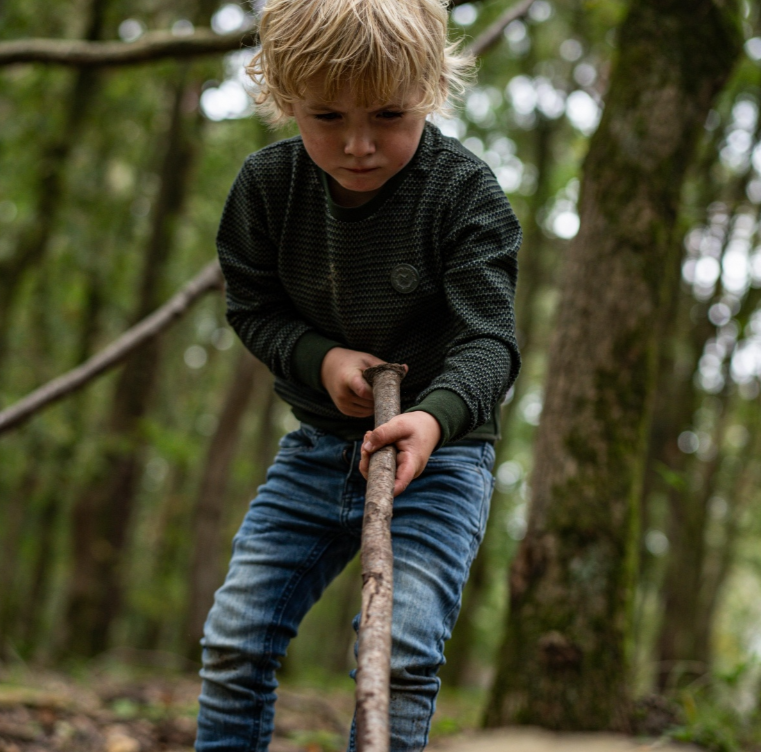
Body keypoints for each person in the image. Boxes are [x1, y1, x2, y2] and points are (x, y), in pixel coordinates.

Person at [195, 0, 521, 749]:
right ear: (283, 98)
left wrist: (433, 417)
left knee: (400, 655)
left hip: (439, 461)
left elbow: (490, 343)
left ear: (432, 87)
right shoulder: (267, 190)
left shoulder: (464, 196)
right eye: (327, 117)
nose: (359, 145)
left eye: (387, 115)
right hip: (317, 450)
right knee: (235, 640)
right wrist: (322, 358)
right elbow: (252, 306)